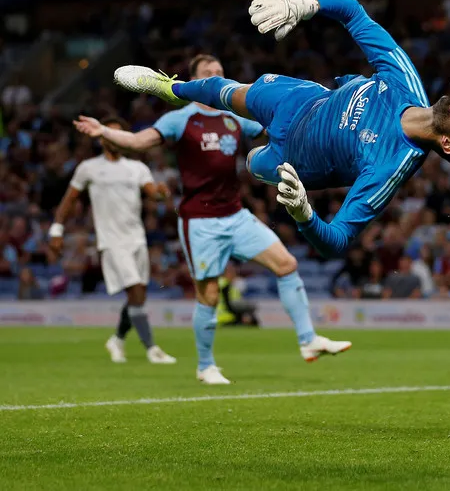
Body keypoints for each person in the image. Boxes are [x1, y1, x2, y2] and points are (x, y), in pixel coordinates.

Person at [113, 0, 450, 261]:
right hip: (300, 100)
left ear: (447, 143)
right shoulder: (405, 81)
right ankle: (171, 88)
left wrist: (304, 215)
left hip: (289, 159)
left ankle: (255, 150)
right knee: (219, 89)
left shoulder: (389, 167)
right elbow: (354, 13)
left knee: (254, 162)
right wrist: (304, 4)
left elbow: (339, 240)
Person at [75, 55, 350, 385]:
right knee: (208, 296)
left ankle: (308, 340)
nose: (217, 77)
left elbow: (274, 126)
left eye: (220, 72)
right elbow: (137, 142)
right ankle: (205, 366)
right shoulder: (181, 119)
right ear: (193, 81)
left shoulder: (234, 117)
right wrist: (103, 130)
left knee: (287, 265)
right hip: (200, 221)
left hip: (236, 215)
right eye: (208, 74)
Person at [49, 116, 176, 365]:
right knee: (136, 292)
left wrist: (161, 193)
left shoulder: (137, 168)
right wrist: (56, 230)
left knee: (137, 296)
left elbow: (152, 192)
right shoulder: (88, 168)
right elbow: (69, 199)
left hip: (137, 239)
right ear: (102, 138)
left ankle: (117, 339)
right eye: (110, 133)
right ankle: (151, 348)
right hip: (111, 241)